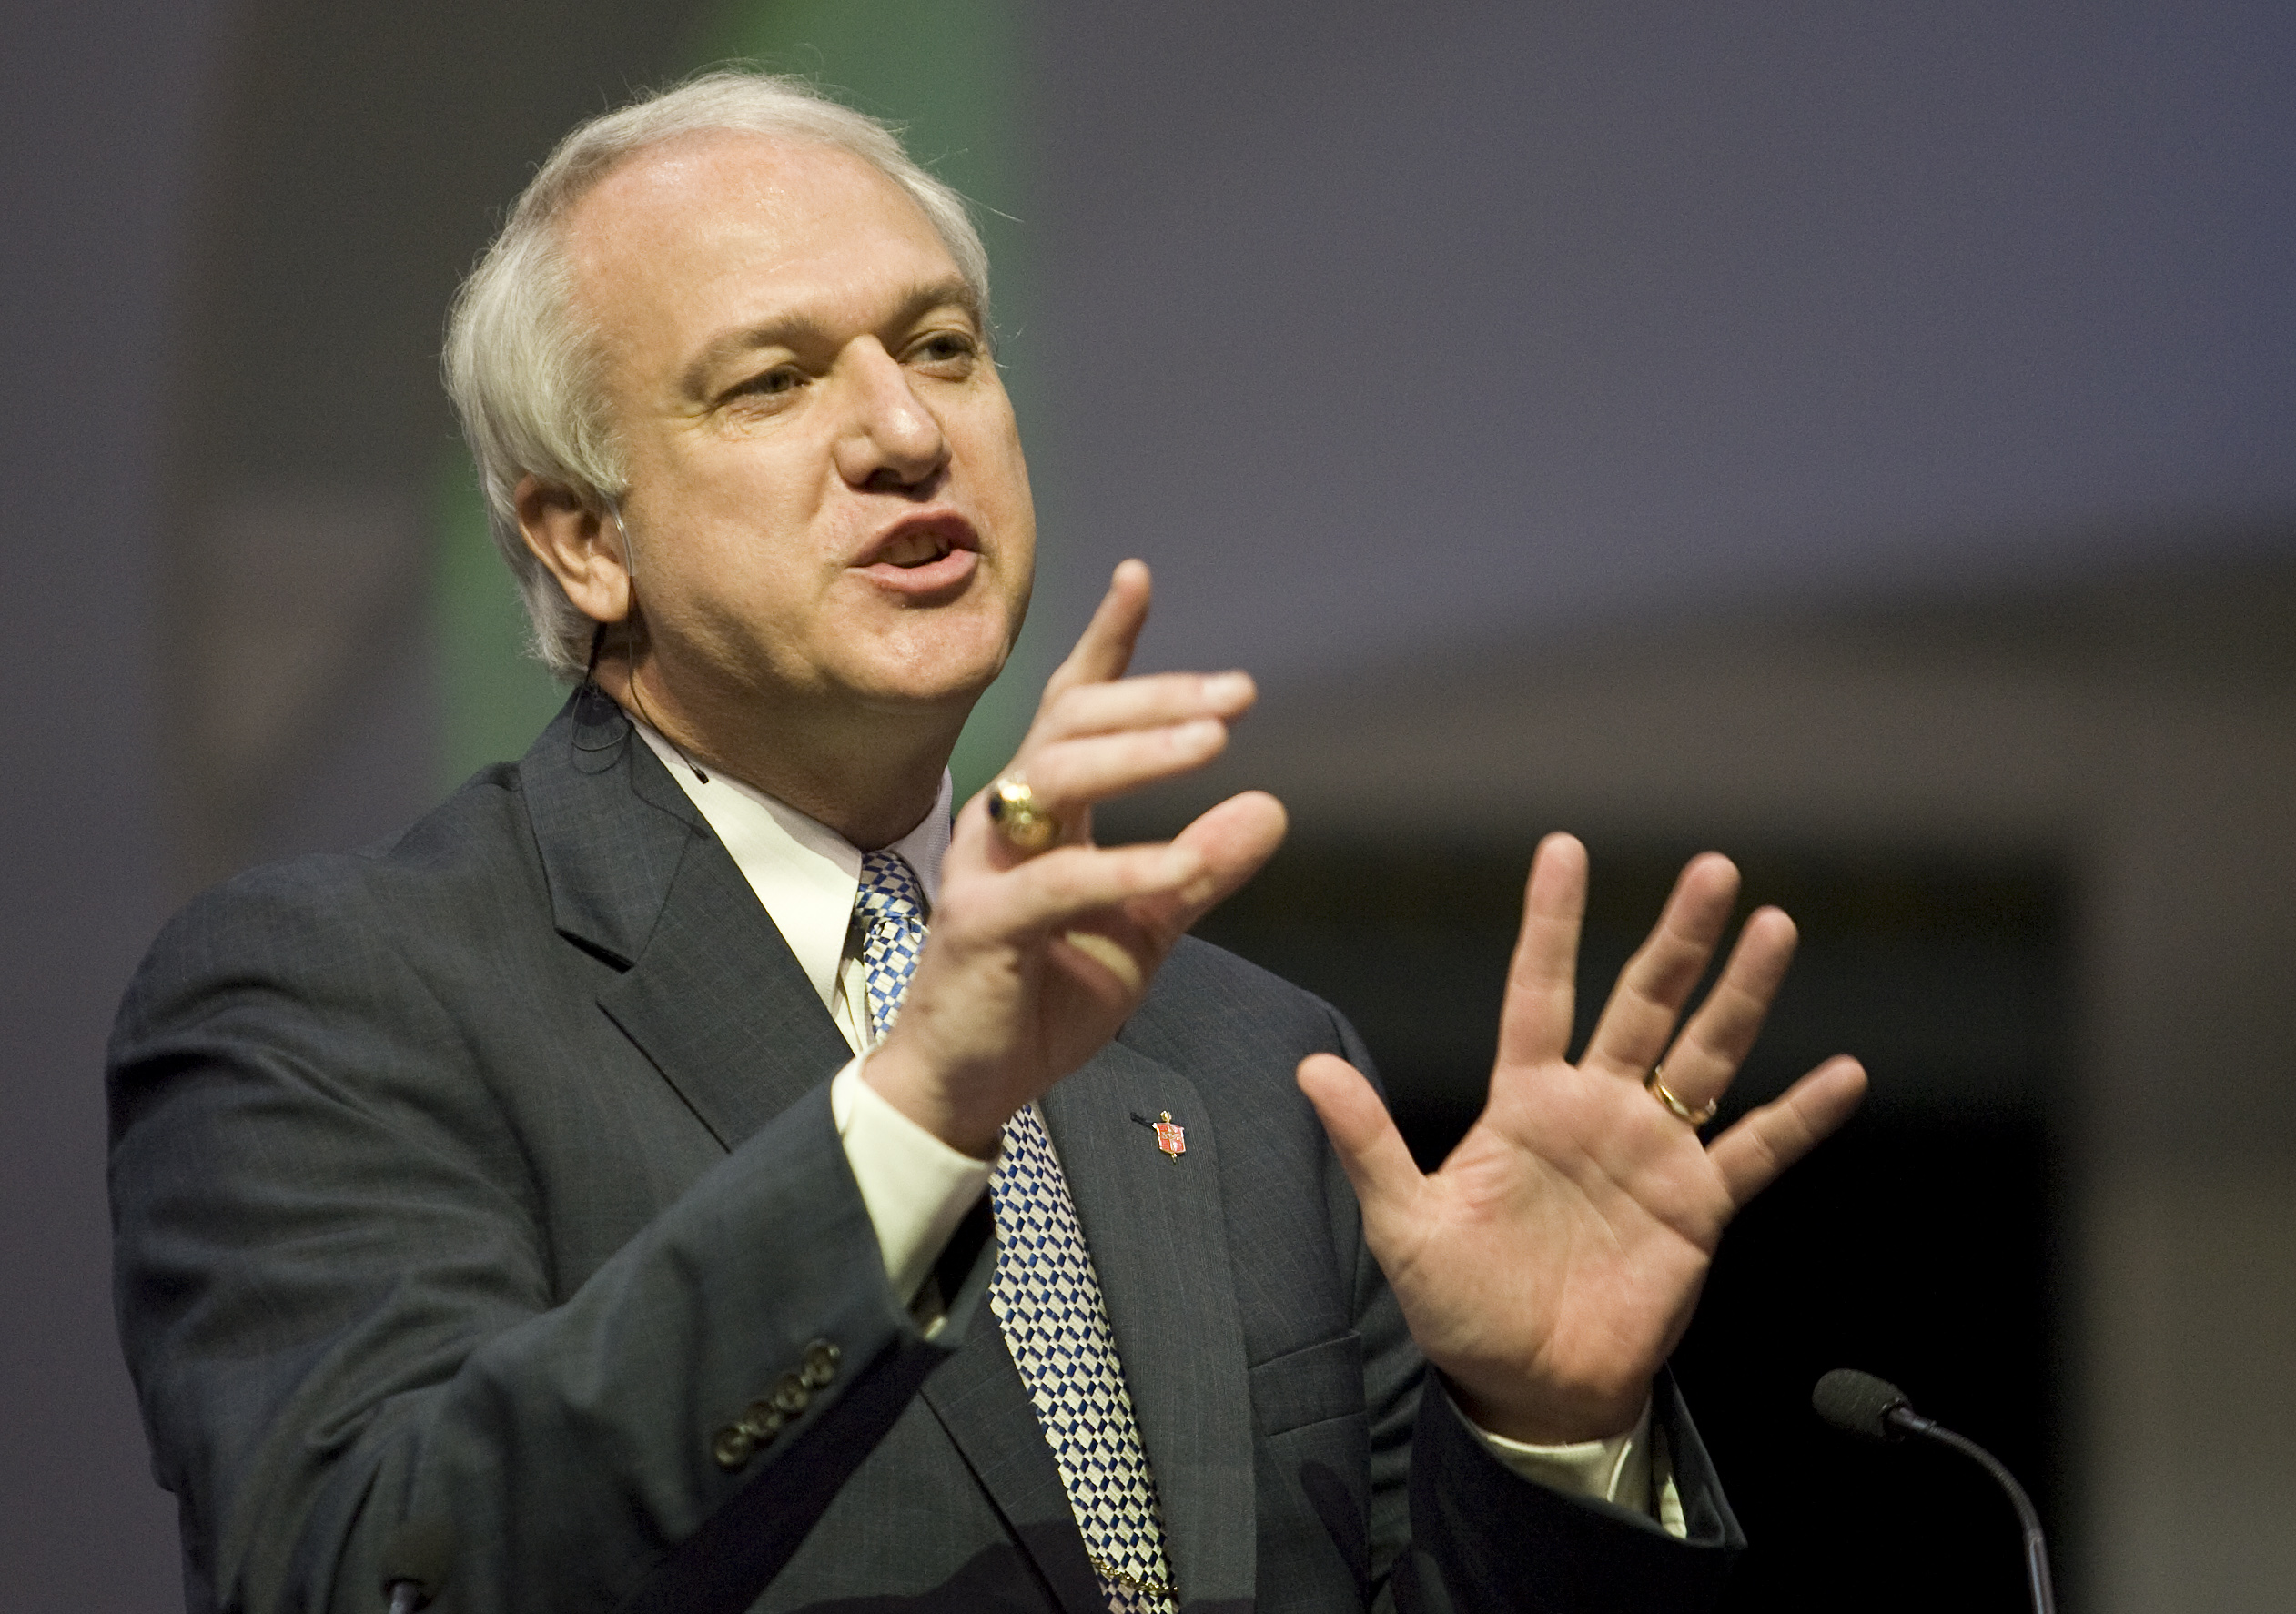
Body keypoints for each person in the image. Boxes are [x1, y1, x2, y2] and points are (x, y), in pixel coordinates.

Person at [108, 71, 1866, 1614]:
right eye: (771, 381)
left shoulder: (1253, 1066)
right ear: (581, 539)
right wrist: (916, 1122)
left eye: (941, 345)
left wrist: (1544, 1435)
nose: (902, 429)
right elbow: (372, 1565)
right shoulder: (340, 998)